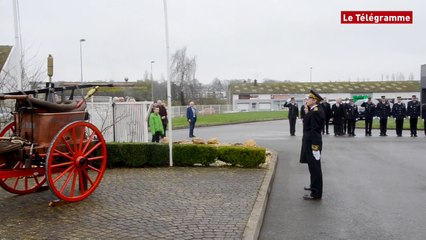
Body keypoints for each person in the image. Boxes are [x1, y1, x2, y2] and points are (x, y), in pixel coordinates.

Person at [300, 89, 324, 200]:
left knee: (315, 168)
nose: (307, 100)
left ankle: (316, 193)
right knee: (312, 167)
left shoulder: (315, 112)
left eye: (309, 98)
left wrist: (315, 148)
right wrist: (306, 112)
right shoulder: (313, 110)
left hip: (312, 144)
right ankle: (313, 186)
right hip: (310, 142)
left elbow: (315, 130)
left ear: (314, 100)